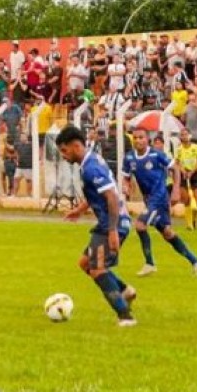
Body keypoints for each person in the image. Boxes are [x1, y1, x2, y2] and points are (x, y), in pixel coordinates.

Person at [55, 125, 137, 327]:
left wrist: (112, 231)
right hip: (108, 223)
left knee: (98, 269)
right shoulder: (89, 162)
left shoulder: (91, 167)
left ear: (75, 146)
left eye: (64, 151)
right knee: (85, 263)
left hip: (112, 223)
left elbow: (111, 196)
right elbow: (99, 193)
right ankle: (125, 291)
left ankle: (126, 316)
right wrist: (81, 209)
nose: (64, 156)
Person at [122, 129, 197, 277]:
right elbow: (126, 177)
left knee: (140, 226)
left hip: (159, 197)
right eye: (135, 138)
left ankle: (149, 263)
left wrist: (176, 190)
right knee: (167, 233)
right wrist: (126, 186)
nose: (138, 140)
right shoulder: (129, 158)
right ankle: (195, 261)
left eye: (141, 137)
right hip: (149, 199)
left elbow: (175, 169)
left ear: (147, 139)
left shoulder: (156, 155)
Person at [174, 128, 197, 229]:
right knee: (186, 200)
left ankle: (193, 219)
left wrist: (192, 172)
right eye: (182, 135)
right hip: (183, 175)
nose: (184, 136)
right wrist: (183, 171)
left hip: (195, 174)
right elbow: (177, 163)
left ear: (190, 135)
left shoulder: (196, 147)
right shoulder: (179, 149)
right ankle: (189, 224)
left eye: (186, 134)